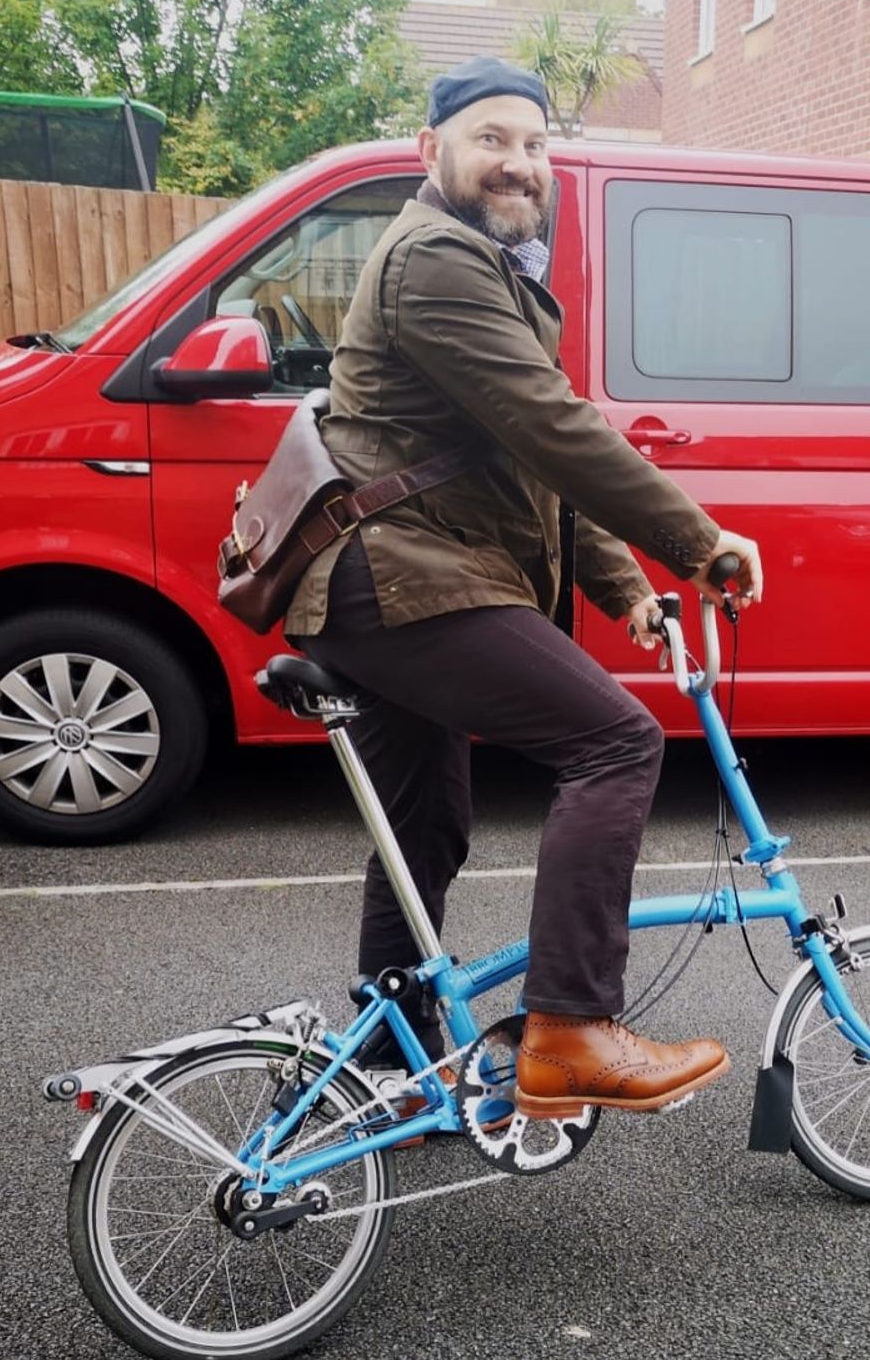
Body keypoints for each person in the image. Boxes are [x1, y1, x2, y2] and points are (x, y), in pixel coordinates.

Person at [282, 57, 764, 1119]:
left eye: (535, 144)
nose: (518, 161)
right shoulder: (437, 260)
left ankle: (384, 1077)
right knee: (616, 741)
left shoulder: (481, 264)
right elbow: (553, 426)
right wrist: (694, 541)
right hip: (406, 576)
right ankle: (571, 1026)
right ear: (431, 152)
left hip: (390, 578)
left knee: (426, 827)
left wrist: (621, 579)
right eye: (491, 138)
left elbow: (523, 455)